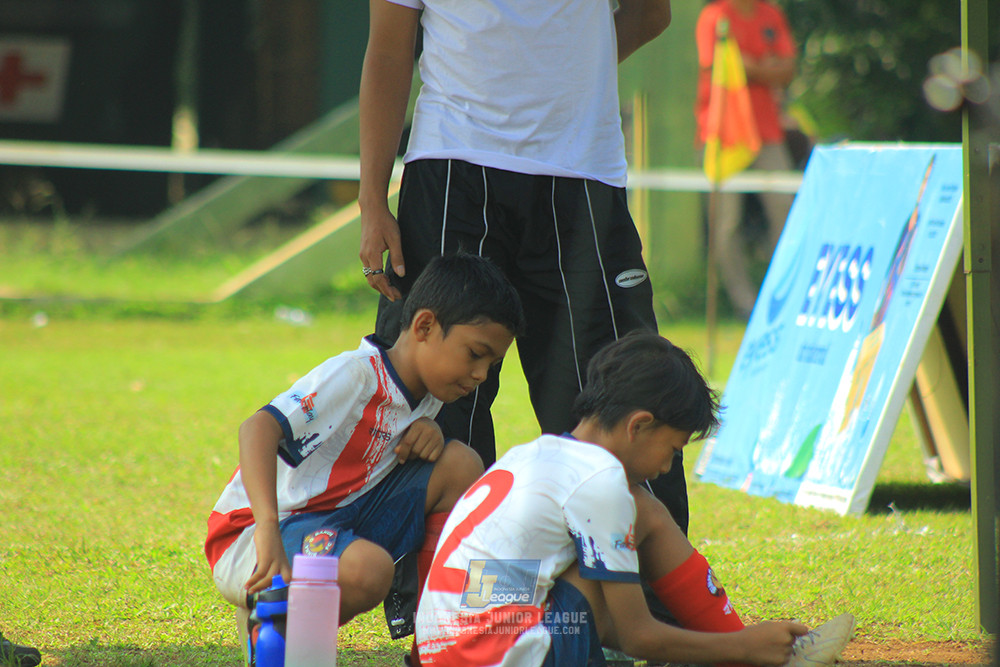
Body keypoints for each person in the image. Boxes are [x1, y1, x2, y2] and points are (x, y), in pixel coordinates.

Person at [358, 0, 692, 538]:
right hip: (453, 170)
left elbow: (651, 13)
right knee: (433, 395)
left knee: (620, 391)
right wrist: (371, 201)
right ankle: (444, 597)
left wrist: (568, 80)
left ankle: (656, 599)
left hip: (581, 171)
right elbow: (389, 49)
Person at [415, 332, 855, 666]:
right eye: (673, 448)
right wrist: (742, 646)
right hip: (493, 652)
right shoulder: (601, 481)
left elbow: (580, 611)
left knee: (595, 565)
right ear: (639, 425)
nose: (666, 467)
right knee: (642, 516)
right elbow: (639, 637)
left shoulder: (533, 455)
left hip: (447, 652)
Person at [204, 254, 526, 643]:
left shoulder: (429, 396)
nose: (480, 374)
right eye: (475, 354)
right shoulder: (355, 375)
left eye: (492, 364)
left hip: (341, 519)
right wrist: (267, 529)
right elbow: (257, 428)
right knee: (369, 570)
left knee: (461, 464)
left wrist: (433, 432)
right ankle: (274, 626)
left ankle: (437, 637)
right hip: (255, 535)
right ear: (424, 325)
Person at [695, 0, 798, 319]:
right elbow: (723, 67)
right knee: (727, 224)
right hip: (725, 134)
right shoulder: (715, 17)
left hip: (767, 132)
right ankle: (745, 304)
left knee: (786, 213)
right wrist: (765, 67)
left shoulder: (771, 14)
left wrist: (752, 66)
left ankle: (784, 295)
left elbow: (789, 68)